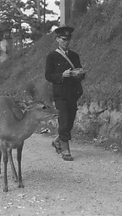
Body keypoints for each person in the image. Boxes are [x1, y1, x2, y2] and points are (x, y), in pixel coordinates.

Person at [45, 26, 85, 161]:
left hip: (72, 93)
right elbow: (48, 75)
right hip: (60, 93)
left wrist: (79, 74)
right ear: (57, 39)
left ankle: (57, 140)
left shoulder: (74, 55)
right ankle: (65, 149)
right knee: (63, 120)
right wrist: (62, 75)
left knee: (70, 121)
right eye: (63, 39)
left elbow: (80, 71)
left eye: (68, 39)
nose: (65, 42)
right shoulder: (52, 56)